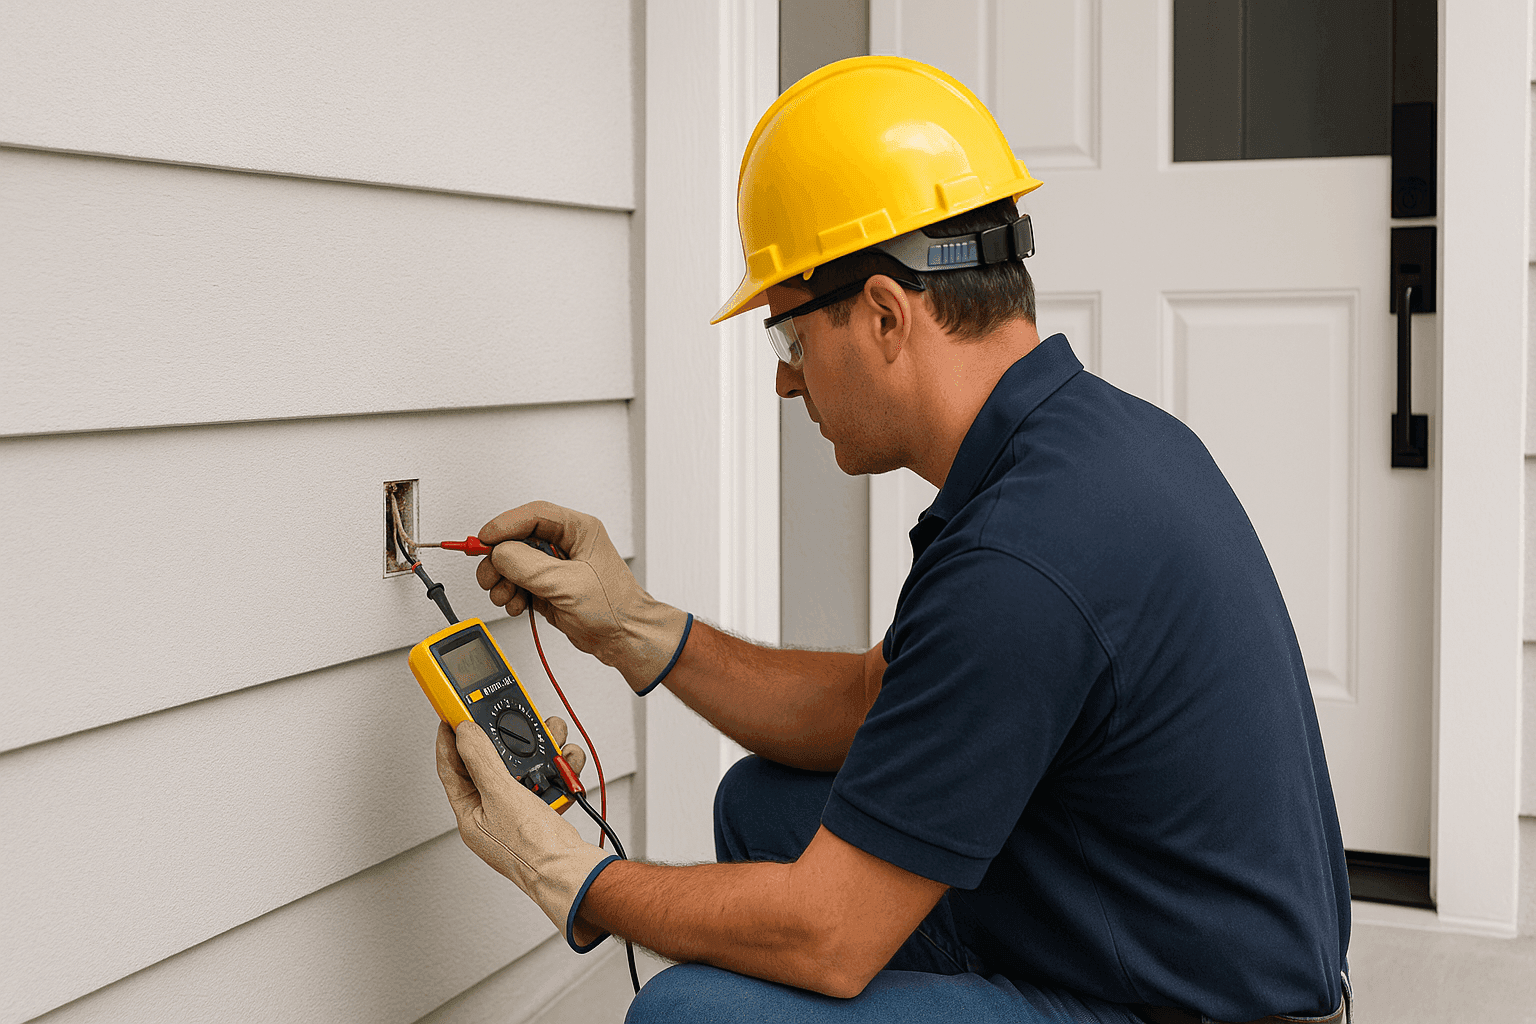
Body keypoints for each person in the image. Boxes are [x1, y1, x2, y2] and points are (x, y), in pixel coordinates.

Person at [431, 56, 1351, 1024]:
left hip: (1201, 1010)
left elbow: (828, 935)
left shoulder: (1022, 557)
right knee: (767, 805)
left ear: (882, 315)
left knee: (691, 1014)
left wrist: (564, 874)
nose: (786, 383)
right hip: (1148, 930)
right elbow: (880, 699)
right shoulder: (1087, 445)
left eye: (789, 339)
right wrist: (629, 621)